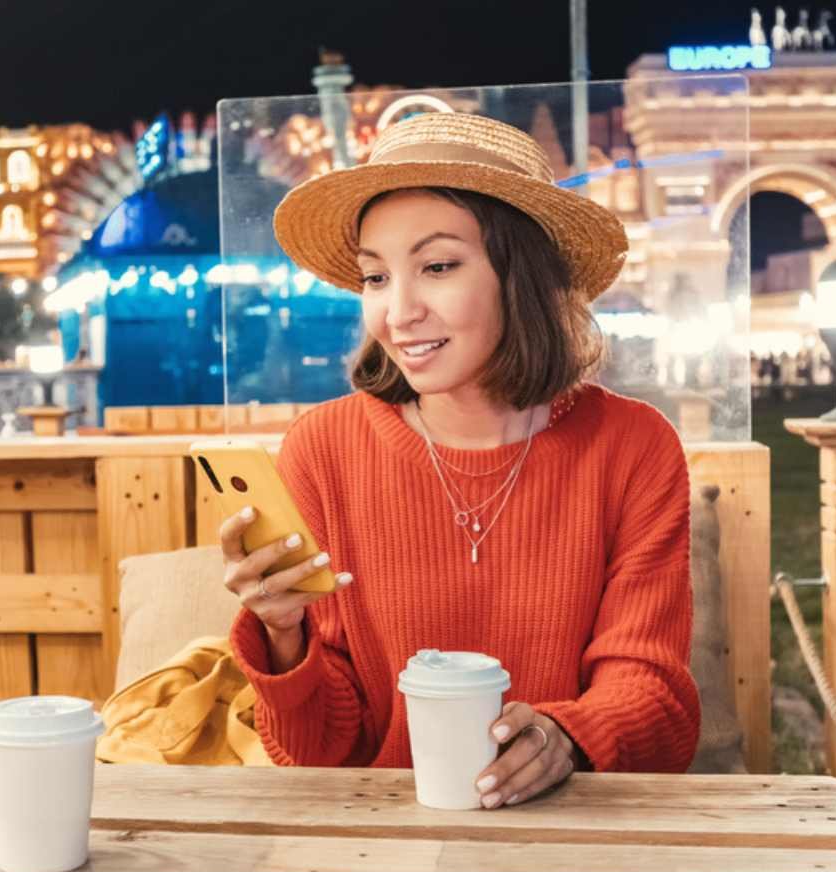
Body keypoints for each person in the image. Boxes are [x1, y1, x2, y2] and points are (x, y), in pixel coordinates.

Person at [218, 112, 699, 810]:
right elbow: (316, 754)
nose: (399, 311)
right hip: (379, 843)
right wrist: (283, 635)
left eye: (437, 266)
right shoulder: (322, 448)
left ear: (521, 278)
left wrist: (567, 737)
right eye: (376, 277)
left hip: (573, 829)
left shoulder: (633, 445)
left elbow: (657, 701)